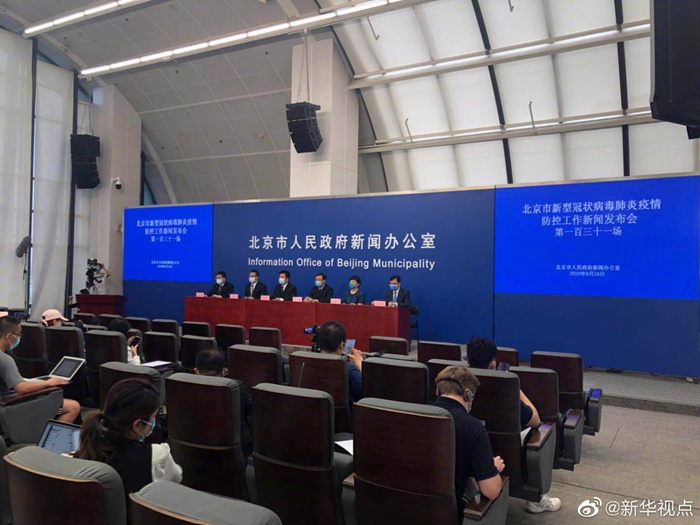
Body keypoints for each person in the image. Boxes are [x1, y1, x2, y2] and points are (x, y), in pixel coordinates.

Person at [466, 337, 561, 514]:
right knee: (542, 430)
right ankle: (537, 499)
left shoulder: (457, 389)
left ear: (467, 362)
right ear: (493, 364)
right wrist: (514, 388)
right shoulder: (505, 391)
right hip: (508, 459)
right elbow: (535, 419)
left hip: (470, 457)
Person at [75, 379, 182, 509]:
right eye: (154, 416)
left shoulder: (88, 444)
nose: (155, 422)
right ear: (137, 425)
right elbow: (175, 481)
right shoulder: (158, 457)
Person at [433, 365, 505, 521]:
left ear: (438, 391)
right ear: (468, 394)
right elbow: (491, 491)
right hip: (448, 515)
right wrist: (492, 469)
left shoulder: (414, 415)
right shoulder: (473, 427)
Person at [0, 316, 80, 423]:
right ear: (9, 336)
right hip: (12, 405)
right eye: (18, 335)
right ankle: (50, 434)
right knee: (73, 407)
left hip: (5, 403)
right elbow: (22, 389)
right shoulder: (5, 359)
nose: (19, 338)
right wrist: (48, 383)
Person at [195, 348, 253, 454]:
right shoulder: (236, 387)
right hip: (231, 454)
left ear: (196, 370)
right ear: (224, 371)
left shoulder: (184, 386)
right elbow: (250, 412)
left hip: (192, 451)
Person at [316, 321, 363, 405]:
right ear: (341, 345)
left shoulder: (306, 363)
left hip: (314, 411)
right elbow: (366, 394)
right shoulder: (349, 369)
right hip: (343, 413)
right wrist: (360, 366)